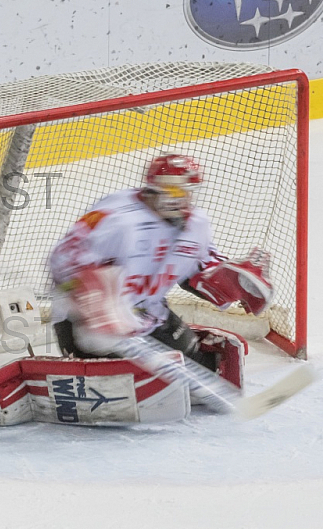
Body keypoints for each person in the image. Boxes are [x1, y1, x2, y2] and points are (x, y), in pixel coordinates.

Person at [48, 153, 274, 378]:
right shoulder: (116, 216)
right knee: (118, 382)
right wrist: (93, 299)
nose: (179, 199)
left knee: (204, 369)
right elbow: (62, 257)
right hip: (83, 323)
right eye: (172, 190)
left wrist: (232, 281)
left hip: (150, 316)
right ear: (153, 187)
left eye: (186, 192)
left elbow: (200, 270)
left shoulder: (196, 225)